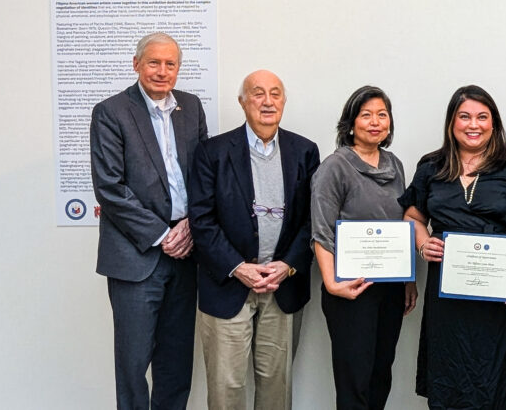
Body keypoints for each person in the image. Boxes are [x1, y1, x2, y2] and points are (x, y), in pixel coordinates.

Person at [400, 85, 506, 410]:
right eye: (464, 116)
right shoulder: (431, 166)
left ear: (494, 123)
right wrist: (423, 245)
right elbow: (412, 215)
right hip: (447, 297)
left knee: (494, 383)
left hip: (499, 294)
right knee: (448, 383)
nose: (473, 124)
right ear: (452, 122)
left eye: (481, 116)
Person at [188, 70, 320, 409]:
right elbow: (201, 221)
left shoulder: (305, 151)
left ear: (284, 101)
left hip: (283, 286)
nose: (267, 101)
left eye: (275, 93)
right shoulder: (212, 152)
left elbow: (312, 219)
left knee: (277, 387)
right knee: (226, 386)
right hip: (228, 284)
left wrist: (289, 265)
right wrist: (237, 267)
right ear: (242, 101)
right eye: (258, 93)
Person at [90, 32, 208, 410]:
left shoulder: (190, 107)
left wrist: (190, 223)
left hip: (186, 254)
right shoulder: (111, 112)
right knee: (133, 363)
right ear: (136, 64)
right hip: (136, 258)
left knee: (176, 362)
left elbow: (204, 174)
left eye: (170, 64)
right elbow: (109, 188)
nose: (162, 71)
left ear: (178, 68)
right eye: (153, 62)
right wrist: (162, 234)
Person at [311, 86, 418, 409]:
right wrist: (332, 284)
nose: (375, 122)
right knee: (354, 380)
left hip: (389, 289)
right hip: (350, 290)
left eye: (382, 115)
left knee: (380, 374)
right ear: (351, 122)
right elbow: (321, 230)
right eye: (366, 114)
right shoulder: (335, 166)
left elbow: (403, 225)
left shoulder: (395, 164)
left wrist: (408, 280)